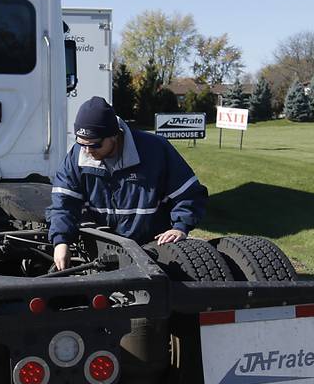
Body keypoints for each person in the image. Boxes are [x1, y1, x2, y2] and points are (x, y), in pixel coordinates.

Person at [49, 96, 207, 270]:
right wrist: (61, 241)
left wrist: (180, 227)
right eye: (82, 143)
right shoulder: (77, 156)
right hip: (102, 254)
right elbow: (63, 203)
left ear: (114, 135)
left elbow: (189, 192)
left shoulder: (155, 150)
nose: (87, 151)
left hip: (153, 251)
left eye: (95, 145)